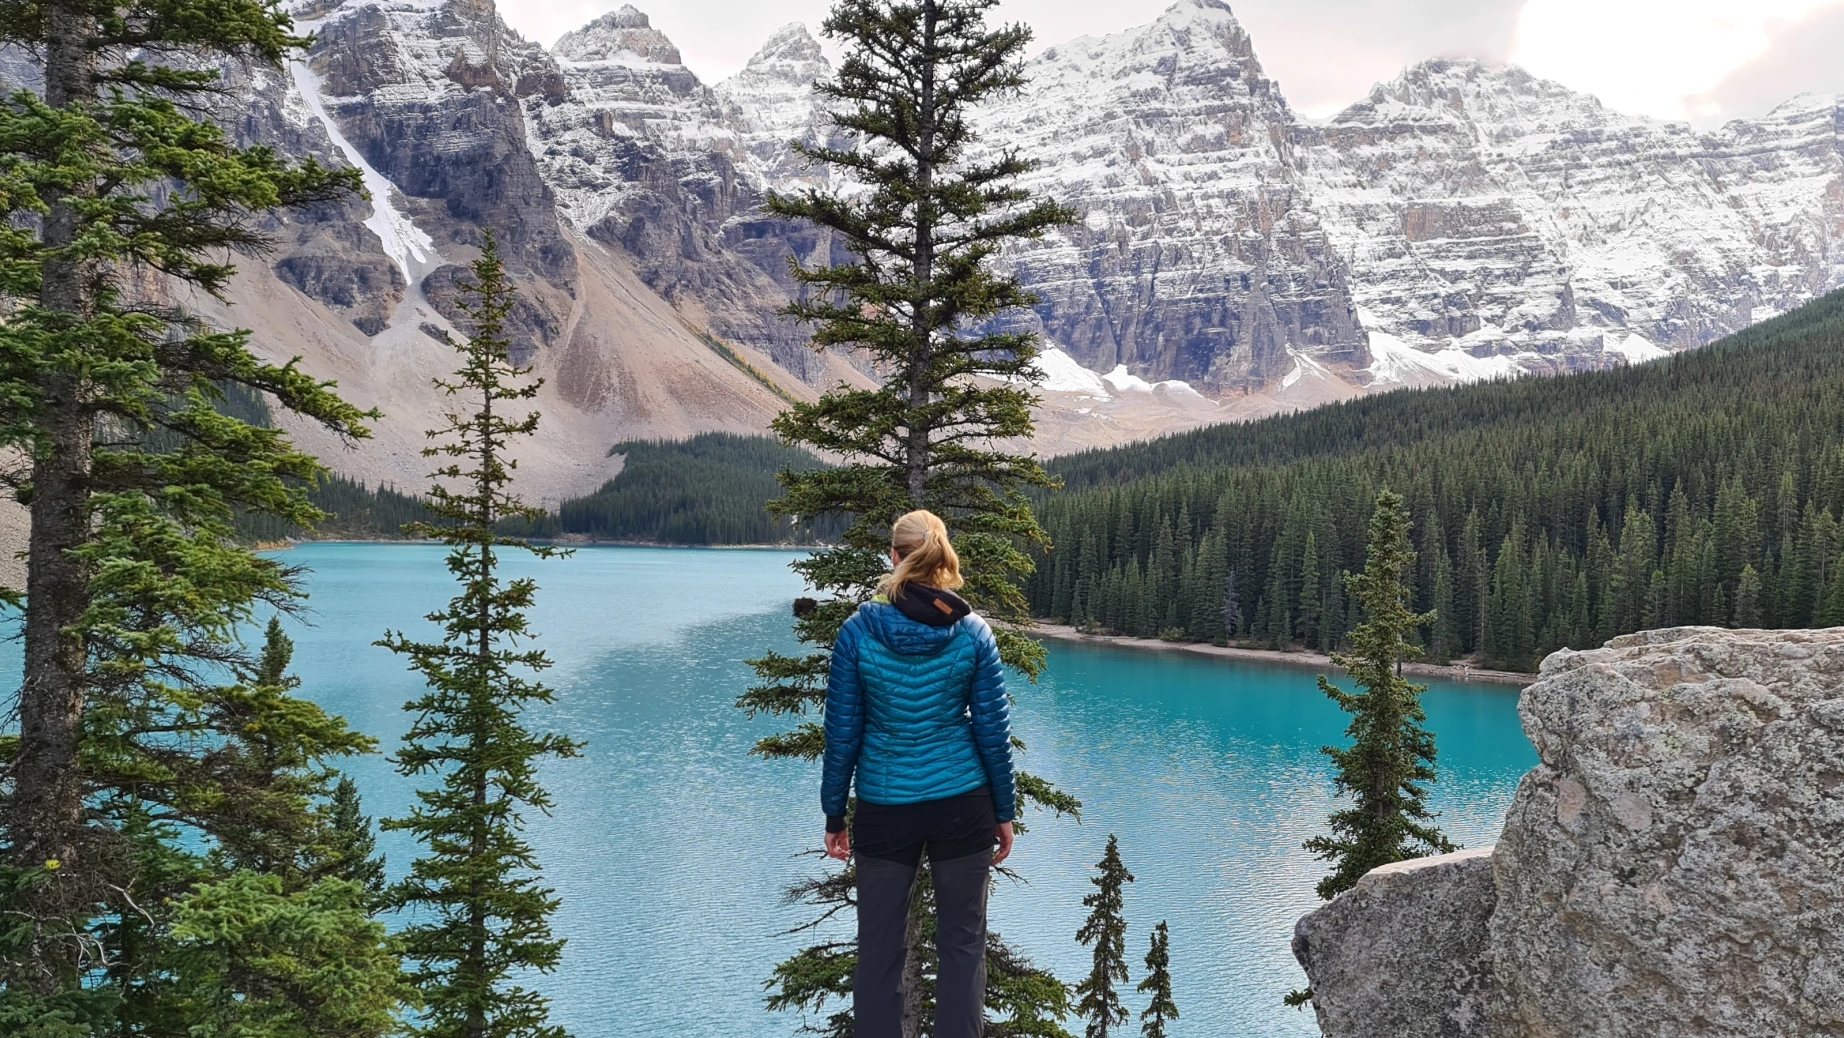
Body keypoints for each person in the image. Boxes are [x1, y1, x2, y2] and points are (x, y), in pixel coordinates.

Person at [820, 509, 1017, 1038]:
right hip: (963, 803)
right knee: (963, 947)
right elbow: (992, 734)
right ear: (940, 558)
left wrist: (834, 813)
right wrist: (1004, 812)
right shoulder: (973, 633)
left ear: (895, 557)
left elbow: (842, 734)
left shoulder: (858, 632)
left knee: (880, 951)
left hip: (886, 808)